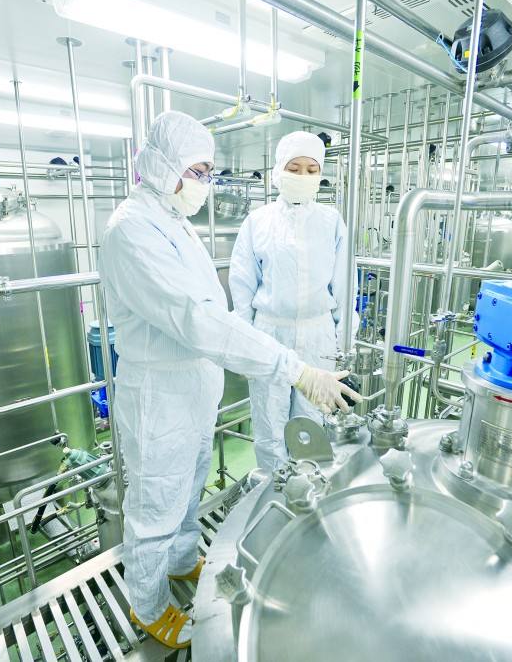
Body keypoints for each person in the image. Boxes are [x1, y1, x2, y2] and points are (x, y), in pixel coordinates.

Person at [98, 111, 361, 649]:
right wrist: (293, 367)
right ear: (164, 166)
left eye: (207, 172)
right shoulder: (132, 229)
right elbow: (198, 318)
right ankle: (148, 604)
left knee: (189, 485)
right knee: (156, 500)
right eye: (197, 171)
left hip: (195, 383)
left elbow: (212, 313)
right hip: (160, 392)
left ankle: (180, 560)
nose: (205, 183)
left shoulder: (172, 220)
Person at [229, 131, 352, 473]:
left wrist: (343, 341)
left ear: (321, 174)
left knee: (314, 419)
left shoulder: (331, 221)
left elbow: (344, 286)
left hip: (318, 335)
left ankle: (310, 488)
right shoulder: (258, 221)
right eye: (294, 168)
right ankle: (274, 488)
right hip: (270, 333)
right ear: (278, 171)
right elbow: (242, 286)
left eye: (311, 170)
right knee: (269, 423)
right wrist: (245, 344)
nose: (302, 176)